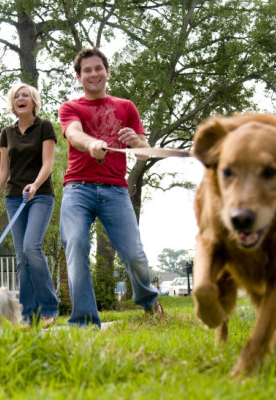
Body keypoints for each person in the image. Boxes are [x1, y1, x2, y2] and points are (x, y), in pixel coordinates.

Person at [58, 47, 163, 329]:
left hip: (115, 189)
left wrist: (137, 142)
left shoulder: (126, 107)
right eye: (87, 70)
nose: (94, 74)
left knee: (133, 253)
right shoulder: (71, 108)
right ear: (79, 77)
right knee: (76, 243)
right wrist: (91, 144)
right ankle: (84, 322)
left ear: (106, 71)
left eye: (98, 68)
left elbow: (142, 153)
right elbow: (74, 133)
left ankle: (151, 305)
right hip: (77, 188)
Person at [0, 83, 59, 328]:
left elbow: (48, 163)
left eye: (25, 95)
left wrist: (34, 184)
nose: (20, 98)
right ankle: (29, 315)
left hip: (40, 195)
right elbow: (4, 170)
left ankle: (49, 308)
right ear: (12, 103)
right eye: (16, 96)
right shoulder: (7, 132)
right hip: (15, 198)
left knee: (32, 247)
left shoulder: (44, 126)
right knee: (22, 257)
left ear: (33, 101)